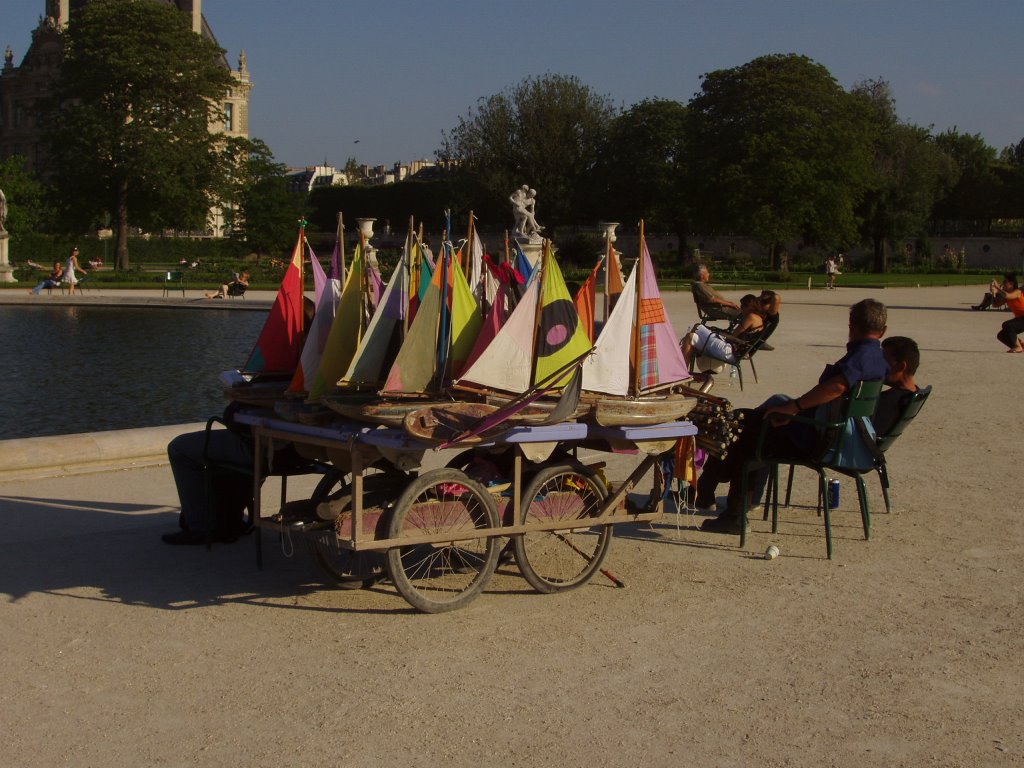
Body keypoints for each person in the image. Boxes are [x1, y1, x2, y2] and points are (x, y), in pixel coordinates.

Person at [695, 298, 890, 533]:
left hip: (818, 437)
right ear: (883, 331)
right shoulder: (878, 359)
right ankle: (715, 494)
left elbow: (837, 386)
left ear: (852, 325)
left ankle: (722, 503)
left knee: (741, 429)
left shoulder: (859, 358)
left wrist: (795, 407)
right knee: (746, 422)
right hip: (829, 432)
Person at [682, 294, 764, 368]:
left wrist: (720, 334)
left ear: (751, 307)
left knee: (696, 326)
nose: (741, 308)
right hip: (734, 352)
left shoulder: (751, 317)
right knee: (691, 337)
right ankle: (683, 373)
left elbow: (734, 335)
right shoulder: (759, 319)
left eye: (743, 306)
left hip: (729, 351)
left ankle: (681, 371)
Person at [874, 336, 921, 436]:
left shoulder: (887, 402)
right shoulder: (914, 394)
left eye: (883, 362)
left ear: (900, 367)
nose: (879, 365)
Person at [992, 273, 1024, 352]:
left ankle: (1018, 347)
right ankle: (1021, 345)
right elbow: (995, 305)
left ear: (1012, 283)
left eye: (1005, 282)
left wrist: (997, 287)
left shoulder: (1017, 292)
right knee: (1001, 335)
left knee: (1007, 325)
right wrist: (993, 292)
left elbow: (1007, 295)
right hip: (1020, 319)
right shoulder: (1007, 296)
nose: (1003, 284)